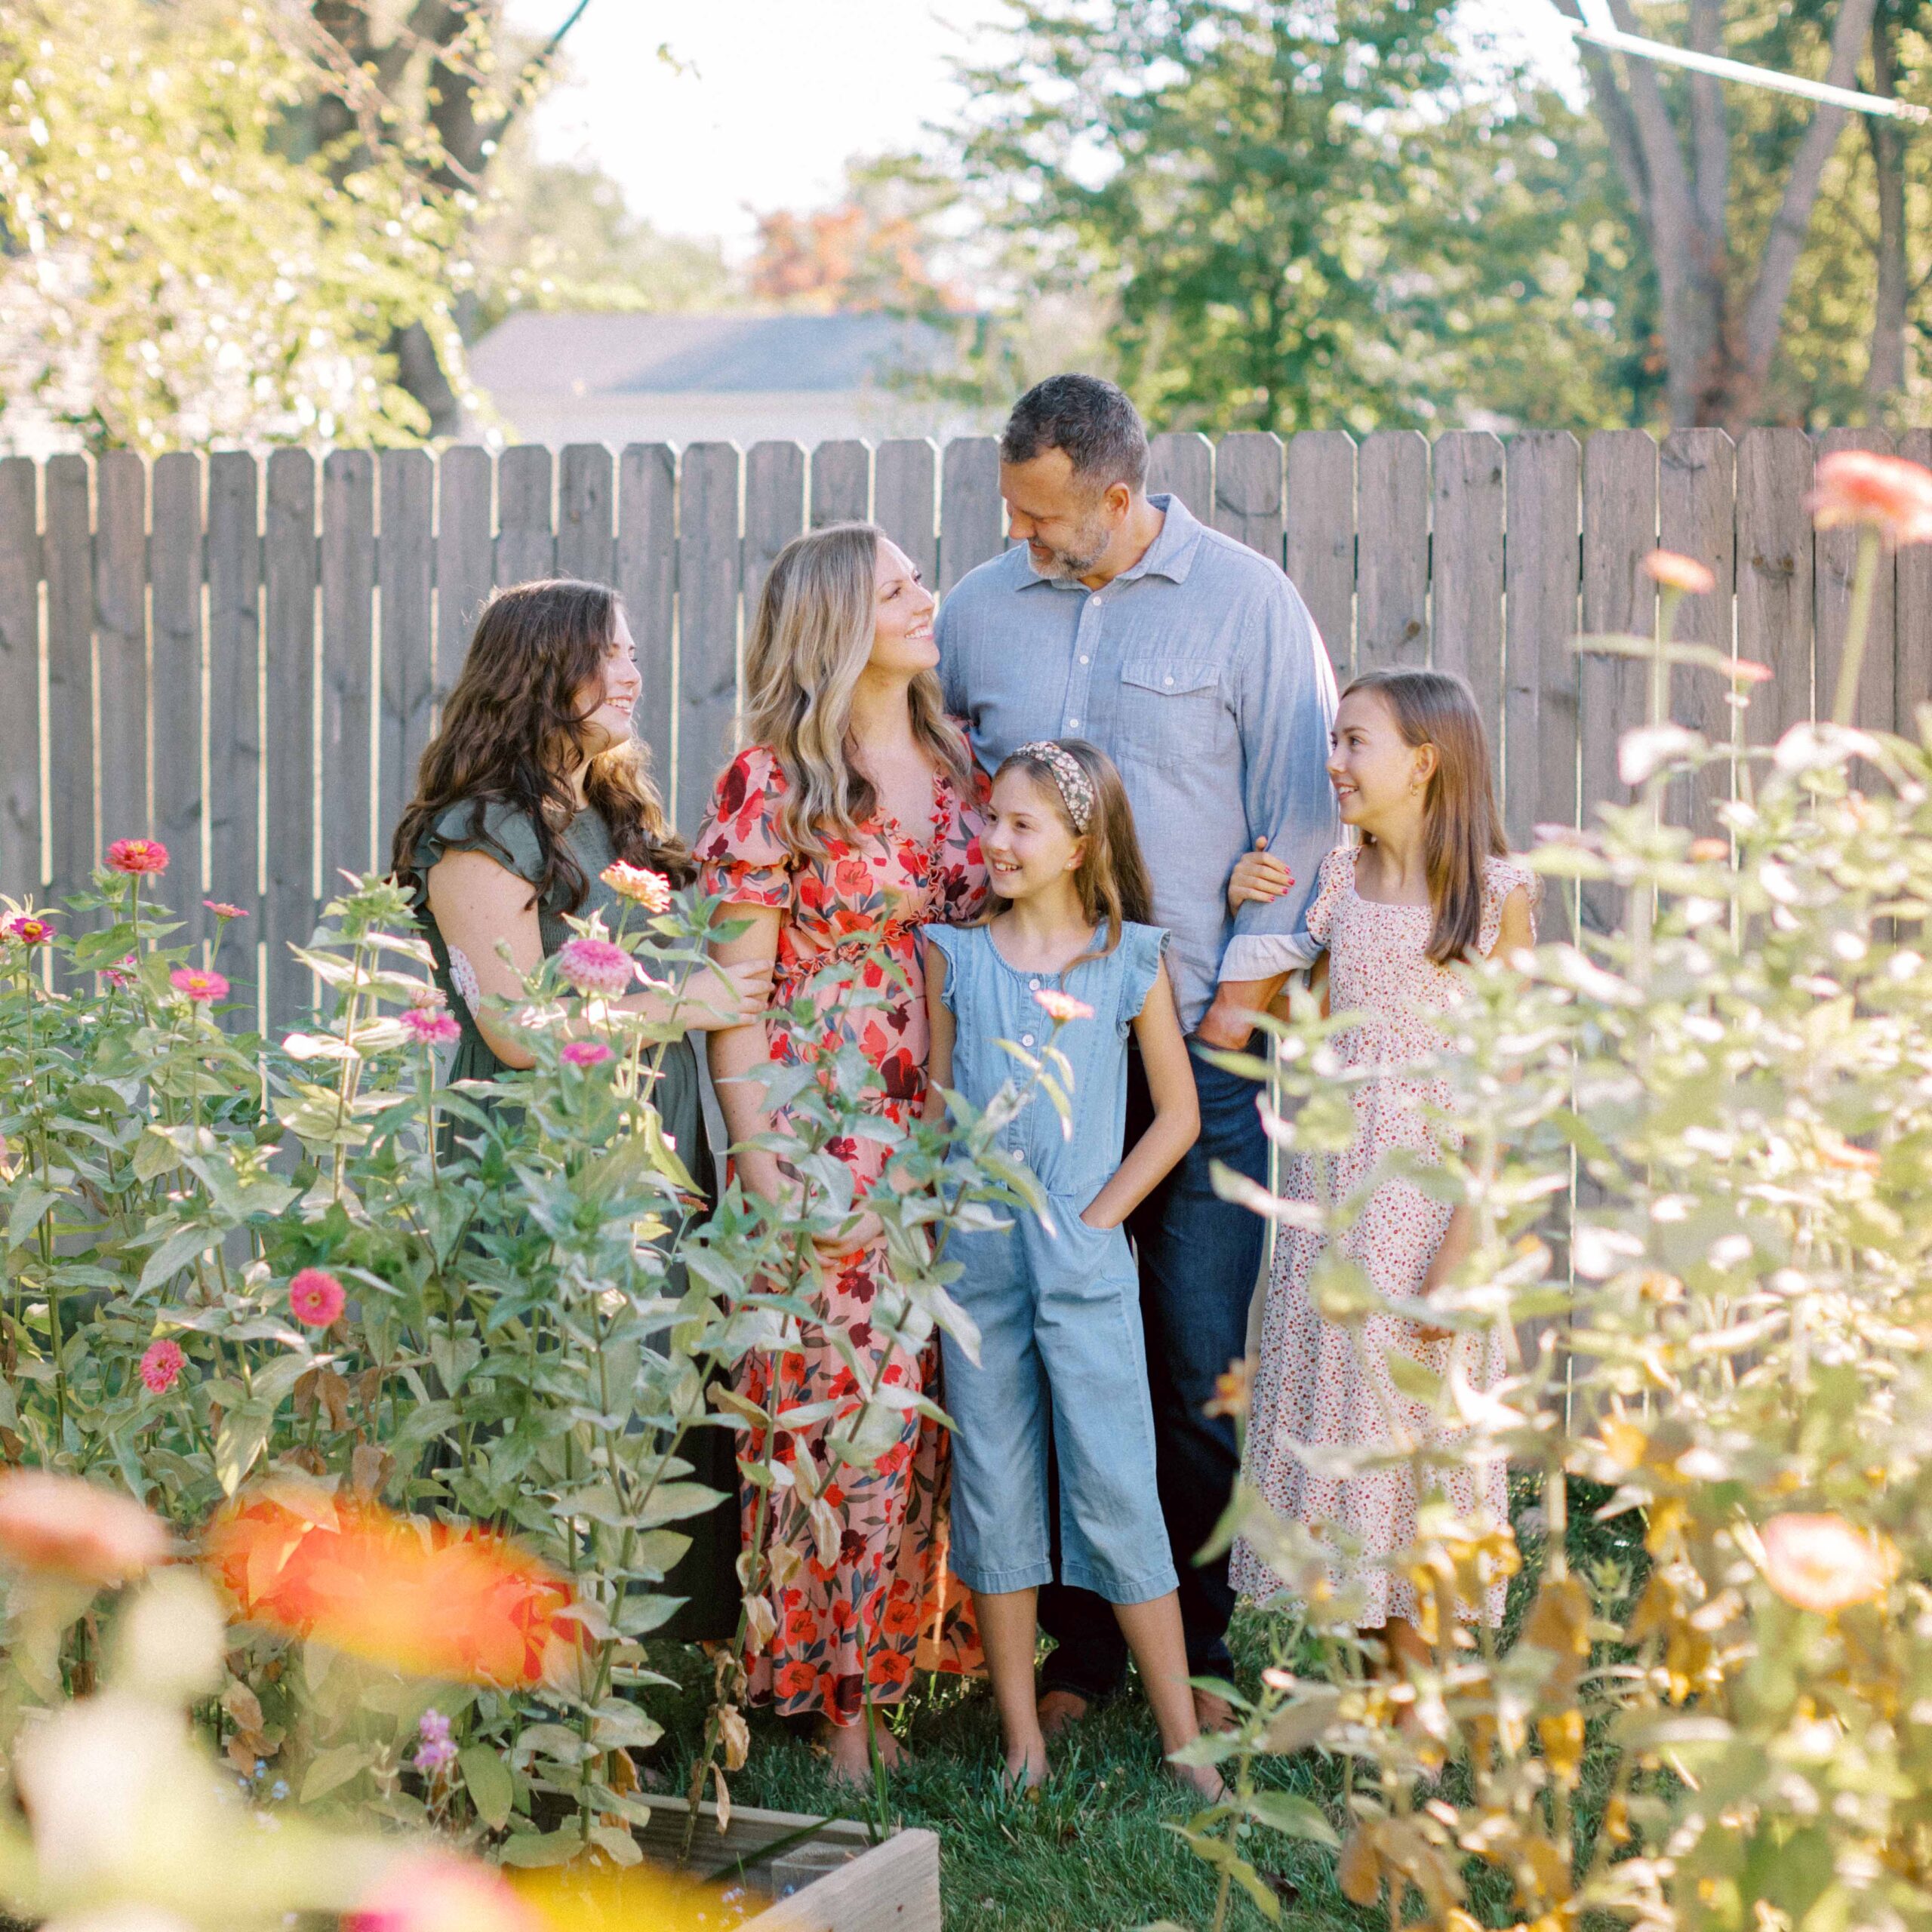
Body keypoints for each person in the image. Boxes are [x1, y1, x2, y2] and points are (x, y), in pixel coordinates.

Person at [935, 373, 1340, 1733]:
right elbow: (959, 807)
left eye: (1050, 519)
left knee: (1189, 1354)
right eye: (1015, 515)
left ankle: (1204, 1652)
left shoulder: (1250, 603)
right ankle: (1081, 1655)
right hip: (1034, 1061)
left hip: (1195, 1051)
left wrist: (1239, 999)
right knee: (1050, 1350)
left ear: (1120, 496)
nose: (1028, 540)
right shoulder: (980, 611)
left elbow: (1307, 807)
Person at [391, 575, 771, 1640]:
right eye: (604, 654)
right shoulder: (482, 831)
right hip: (540, 1164)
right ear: (535, 671)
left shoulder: (609, 815)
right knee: (556, 1400)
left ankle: (628, 1667)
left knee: (647, 1395)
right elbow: (515, 1027)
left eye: (634, 650)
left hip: (646, 1149)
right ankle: (532, 1671)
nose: (631, 673)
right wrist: (695, 999)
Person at [694, 521, 988, 1786]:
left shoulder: (960, 756)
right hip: (827, 1138)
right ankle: (838, 1719)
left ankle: (910, 1667)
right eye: (898, 588)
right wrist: (762, 1172)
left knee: (927, 1419)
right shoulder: (777, 780)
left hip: (957, 1133)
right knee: (835, 1423)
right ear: (835, 624)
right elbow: (736, 998)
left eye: (917, 578)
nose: (928, 598)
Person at [923, 737, 1220, 1796]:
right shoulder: (953, 959)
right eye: (989, 818)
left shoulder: (1129, 958)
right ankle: (1021, 1739)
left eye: (1021, 825)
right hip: (979, 1267)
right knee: (998, 1486)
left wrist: (1098, 1220)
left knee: (1116, 1484)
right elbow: (938, 1110)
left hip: (1086, 1269)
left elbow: (1177, 1117)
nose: (994, 841)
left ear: (1080, 844)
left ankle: (1186, 1740)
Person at [1230, 667, 1535, 1666]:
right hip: (1340, 1203)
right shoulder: (1338, 881)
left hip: (1432, 1209)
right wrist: (1246, 911)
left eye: (1355, 742)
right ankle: (1372, 1693)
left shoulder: (1495, 896)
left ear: (1424, 763)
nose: (1334, 762)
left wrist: (1461, 1257)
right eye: (1334, 739)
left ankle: (1425, 1699)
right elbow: (1278, 1016)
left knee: (1420, 1442)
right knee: (1353, 1429)